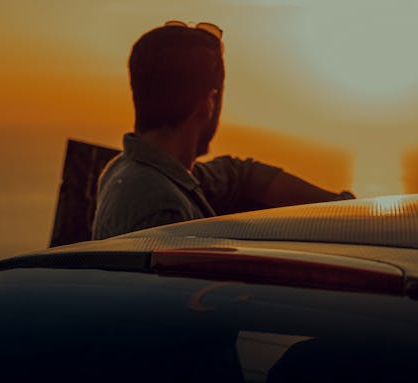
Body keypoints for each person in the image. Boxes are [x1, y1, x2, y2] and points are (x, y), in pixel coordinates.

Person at [91, 21, 354, 240]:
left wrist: (342, 207)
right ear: (207, 103)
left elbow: (238, 174)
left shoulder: (134, 168)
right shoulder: (163, 210)